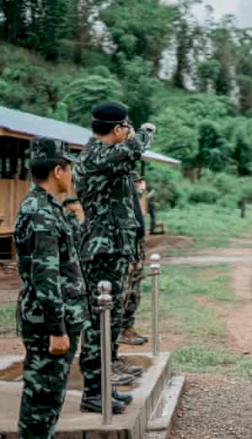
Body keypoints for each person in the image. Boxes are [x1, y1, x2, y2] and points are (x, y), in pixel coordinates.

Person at [75, 102, 155, 413]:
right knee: (99, 320)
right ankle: (93, 391)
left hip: (112, 247)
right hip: (101, 249)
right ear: (118, 129)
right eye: (126, 128)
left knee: (111, 319)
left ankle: (102, 385)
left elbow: (128, 162)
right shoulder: (98, 154)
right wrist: (145, 131)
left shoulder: (109, 157)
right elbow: (134, 149)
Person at [13, 138, 93, 439]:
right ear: (58, 171)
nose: (71, 176)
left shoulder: (47, 208)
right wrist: (57, 329)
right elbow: (45, 277)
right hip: (49, 324)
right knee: (41, 403)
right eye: (69, 169)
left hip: (58, 318)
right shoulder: (40, 214)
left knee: (48, 400)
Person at [120, 172, 149, 346]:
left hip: (136, 247)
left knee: (134, 290)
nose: (140, 185)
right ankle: (120, 329)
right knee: (126, 290)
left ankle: (127, 326)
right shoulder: (122, 198)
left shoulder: (134, 198)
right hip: (128, 247)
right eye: (137, 182)